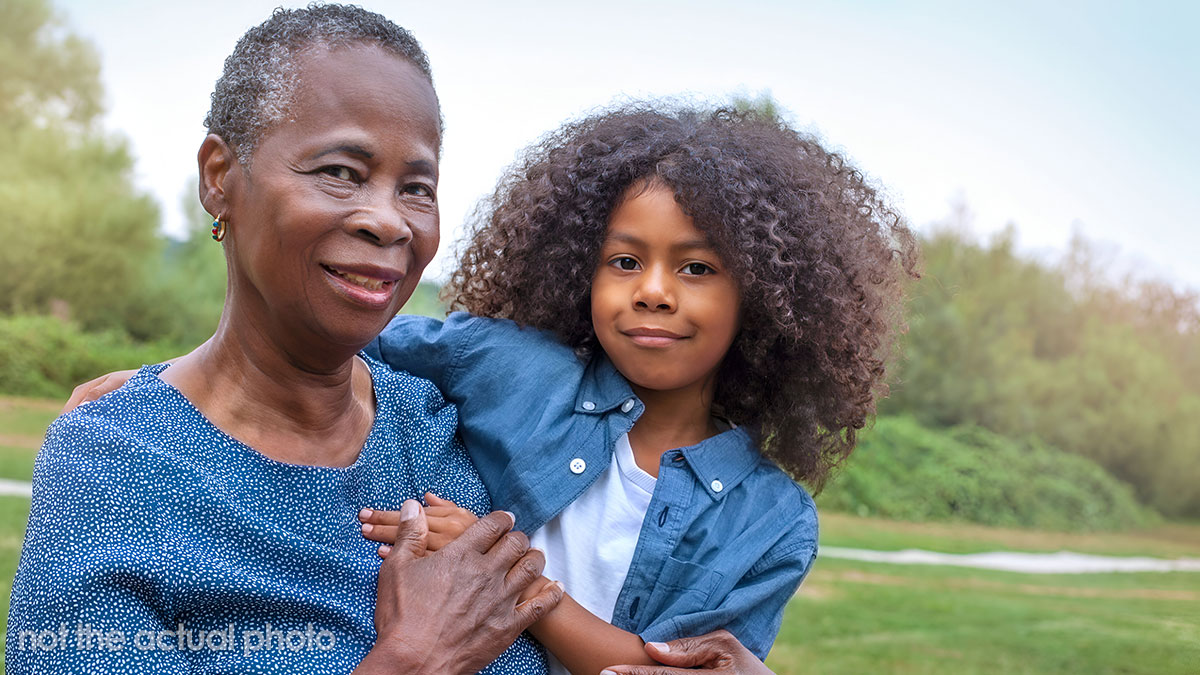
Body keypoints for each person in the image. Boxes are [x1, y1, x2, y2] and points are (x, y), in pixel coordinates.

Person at [4, 5, 563, 673]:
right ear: (220, 176)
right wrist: (416, 657)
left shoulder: (443, 430)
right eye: (341, 172)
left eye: (417, 187)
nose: (389, 221)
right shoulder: (116, 464)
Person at [356, 104, 920, 673]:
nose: (652, 291)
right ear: (583, 272)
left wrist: (505, 571)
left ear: (761, 297)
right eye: (624, 261)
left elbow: (674, 669)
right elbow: (345, 339)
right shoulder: (509, 366)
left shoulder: (771, 520)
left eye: (696, 268)